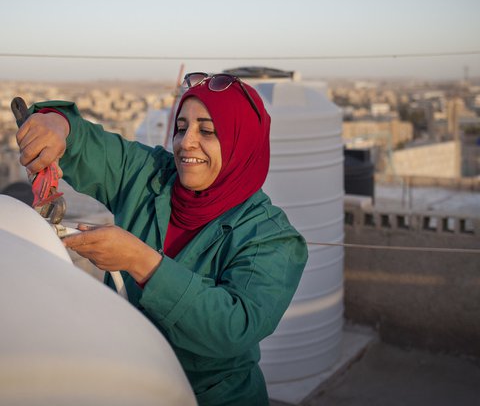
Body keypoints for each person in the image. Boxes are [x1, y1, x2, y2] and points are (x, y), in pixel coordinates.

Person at [16, 72, 308, 406]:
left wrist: (141, 263)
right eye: (182, 127)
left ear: (242, 142)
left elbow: (235, 327)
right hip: (128, 382)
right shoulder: (151, 174)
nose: (186, 142)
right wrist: (57, 126)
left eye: (207, 131)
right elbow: (90, 146)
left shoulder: (269, 236)